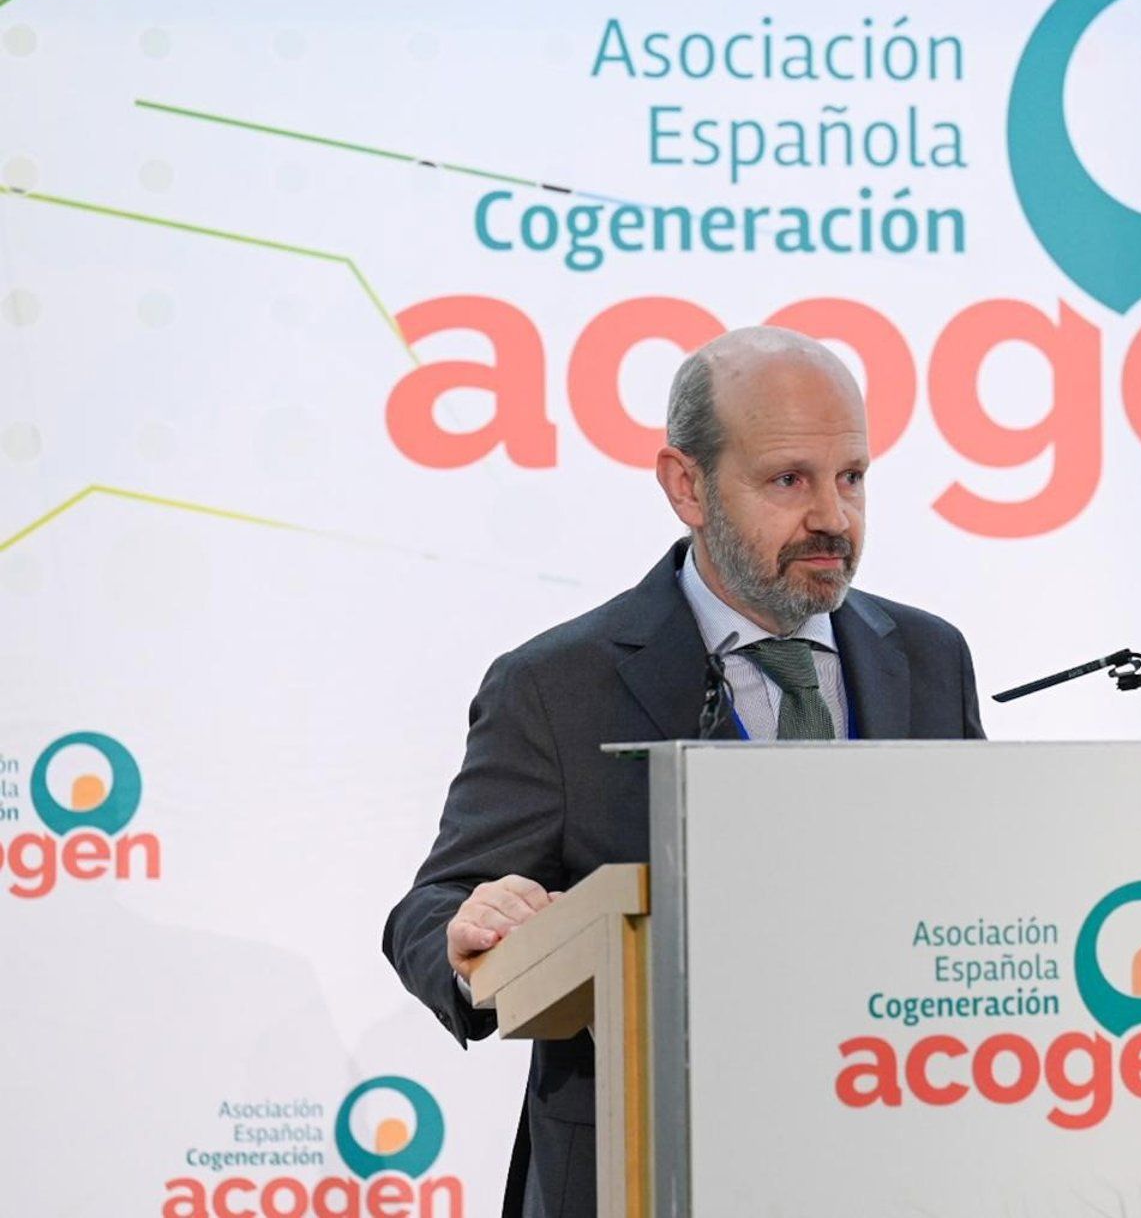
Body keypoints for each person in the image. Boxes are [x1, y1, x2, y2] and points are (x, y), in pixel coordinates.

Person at [382, 327, 986, 1218]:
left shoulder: (929, 658)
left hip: (889, 1155)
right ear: (686, 486)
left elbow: (979, 887)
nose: (833, 516)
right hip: (644, 1165)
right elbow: (432, 910)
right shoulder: (558, 684)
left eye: (852, 477)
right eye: (790, 480)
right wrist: (472, 928)